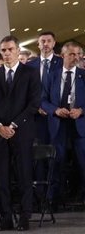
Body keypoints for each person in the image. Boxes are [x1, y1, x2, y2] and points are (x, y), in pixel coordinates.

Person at [0, 35, 41, 231]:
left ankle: (25, 216)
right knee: (2, 176)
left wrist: (13, 125)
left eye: (10, 50)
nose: (6, 54)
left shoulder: (30, 73)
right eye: (3, 50)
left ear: (17, 50)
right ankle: (6, 217)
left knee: (24, 175)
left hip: (22, 132)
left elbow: (33, 104)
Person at [42, 40, 85, 208]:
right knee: (57, 162)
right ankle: (55, 199)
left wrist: (81, 110)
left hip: (79, 125)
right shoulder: (51, 75)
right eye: (71, 54)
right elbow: (42, 100)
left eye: (78, 54)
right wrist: (54, 110)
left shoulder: (83, 74)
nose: (75, 57)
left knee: (82, 162)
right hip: (58, 124)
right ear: (62, 56)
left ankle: (82, 196)